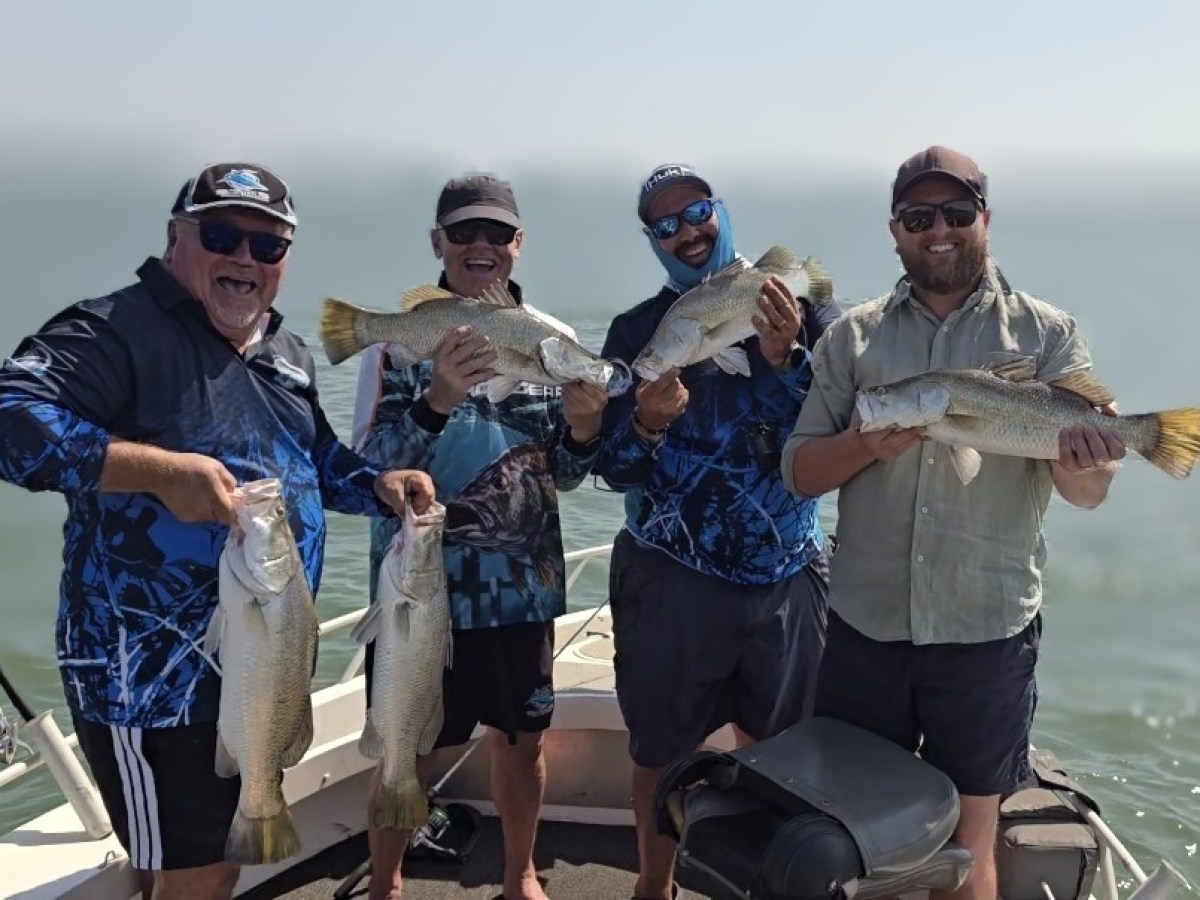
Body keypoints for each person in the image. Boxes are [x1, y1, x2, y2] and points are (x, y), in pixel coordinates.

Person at [0, 162, 435, 900]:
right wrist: (161, 472)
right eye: (224, 236)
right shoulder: (115, 329)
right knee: (193, 873)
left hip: (260, 665)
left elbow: (318, 461)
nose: (246, 259)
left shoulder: (287, 355)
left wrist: (379, 487)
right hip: (151, 678)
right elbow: (12, 421)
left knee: (215, 864)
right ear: (177, 239)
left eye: (268, 247)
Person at [782, 146, 1125, 900]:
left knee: (973, 840)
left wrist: (1090, 455)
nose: (939, 229)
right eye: (918, 216)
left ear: (985, 220)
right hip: (867, 625)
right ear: (896, 231)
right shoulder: (852, 339)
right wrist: (863, 444)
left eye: (957, 213)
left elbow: (1088, 494)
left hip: (986, 632)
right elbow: (801, 471)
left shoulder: (1048, 335)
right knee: (857, 829)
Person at [352, 172, 608, 900]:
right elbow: (367, 466)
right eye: (464, 232)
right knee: (409, 744)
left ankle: (520, 871)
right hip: (417, 590)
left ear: (518, 246)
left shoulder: (552, 341)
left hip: (519, 591)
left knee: (521, 742)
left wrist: (586, 425)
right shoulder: (398, 344)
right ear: (438, 243)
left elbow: (565, 472)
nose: (480, 246)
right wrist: (437, 398)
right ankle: (385, 882)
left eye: (496, 233)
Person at [594, 164, 839, 900]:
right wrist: (646, 421)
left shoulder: (806, 306)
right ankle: (654, 884)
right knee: (660, 750)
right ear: (652, 242)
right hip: (670, 576)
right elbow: (614, 469)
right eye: (665, 225)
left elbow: (834, 434)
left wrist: (780, 357)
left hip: (786, 573)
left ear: (720, 212)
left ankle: (764, 881)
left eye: (695, 212)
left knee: (780, 750)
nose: (686, 232)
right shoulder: (638, 333)